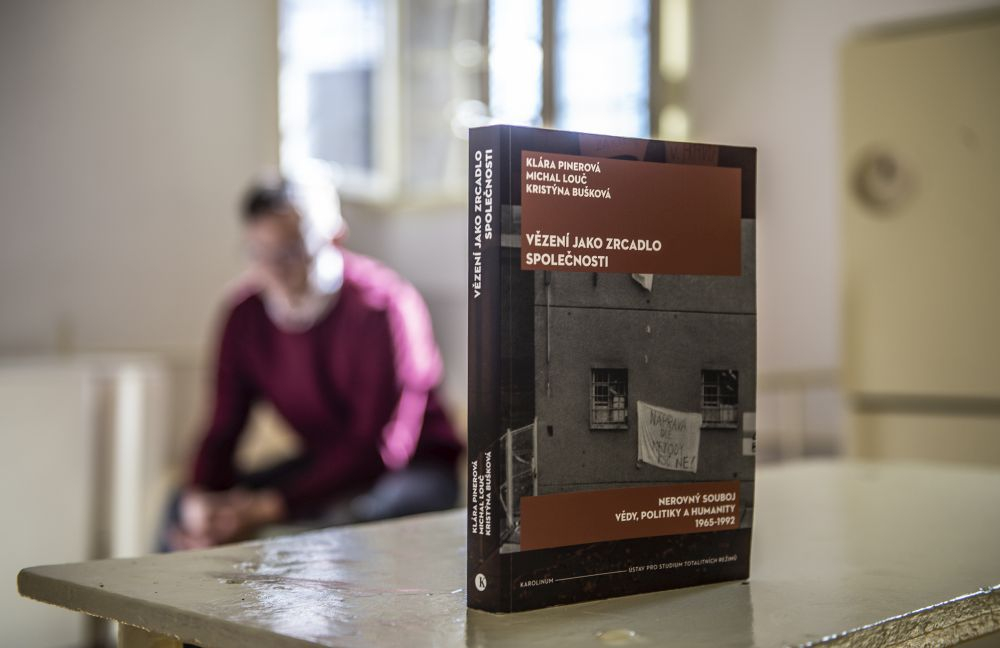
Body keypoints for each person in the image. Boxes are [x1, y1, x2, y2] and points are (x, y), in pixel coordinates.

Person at [165, 167, 463, 550]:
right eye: (259, 253)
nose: (274, 270)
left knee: (340, 526)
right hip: (325, 463)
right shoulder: (245, 315)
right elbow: (223, 426)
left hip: (414, 469)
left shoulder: (384, 306)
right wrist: (201, 498)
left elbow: (379, 449)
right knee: (179, 507)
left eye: (291, 251)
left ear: (334, 237)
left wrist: (269, 507)